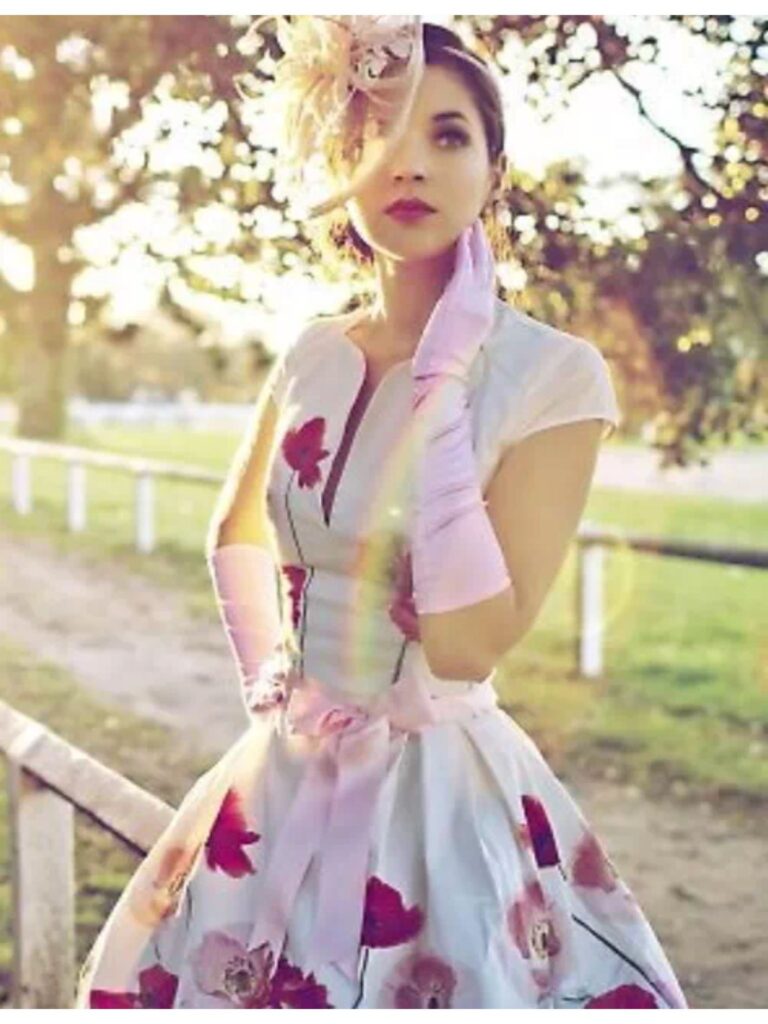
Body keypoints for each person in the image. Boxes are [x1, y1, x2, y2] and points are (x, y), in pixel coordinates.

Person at [75, 18, 688, 1009]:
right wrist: (278, 690)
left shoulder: (552, 375)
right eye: (375, 134)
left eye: (446, 134)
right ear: (337, 164)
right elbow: (234, 534)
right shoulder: (313, 352)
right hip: (284, 771)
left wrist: (442, 395)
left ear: (493, 167)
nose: (409, 163)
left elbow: (467, 643)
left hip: (440, 792)